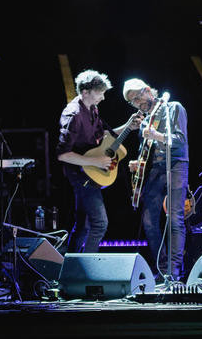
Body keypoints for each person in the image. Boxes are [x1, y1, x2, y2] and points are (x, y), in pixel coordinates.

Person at [57, 70, 141, 253]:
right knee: (100, 224)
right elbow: (62, 154)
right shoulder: (73, 115)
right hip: (81, 176)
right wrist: (95, 161)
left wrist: (128, 126)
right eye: (100, 93)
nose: (103, 98)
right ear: (85, 92)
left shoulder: (92, 109)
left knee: (82, 225)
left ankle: (71, 264)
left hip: (89, 174)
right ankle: (87, 267)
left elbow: (104, 135)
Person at [123, 78, 189, 282]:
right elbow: (146, 152)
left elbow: (180, 141)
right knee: (149, 221)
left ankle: (174, 271)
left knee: (175, 218)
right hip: (154, 170)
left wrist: (157, 135)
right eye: (132, 101)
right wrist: (138, 163)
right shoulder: (145, 120)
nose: (137, 103)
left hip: (176, 164)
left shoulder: (173, 108)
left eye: (138, 97)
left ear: (148, 90)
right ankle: (162, 269)